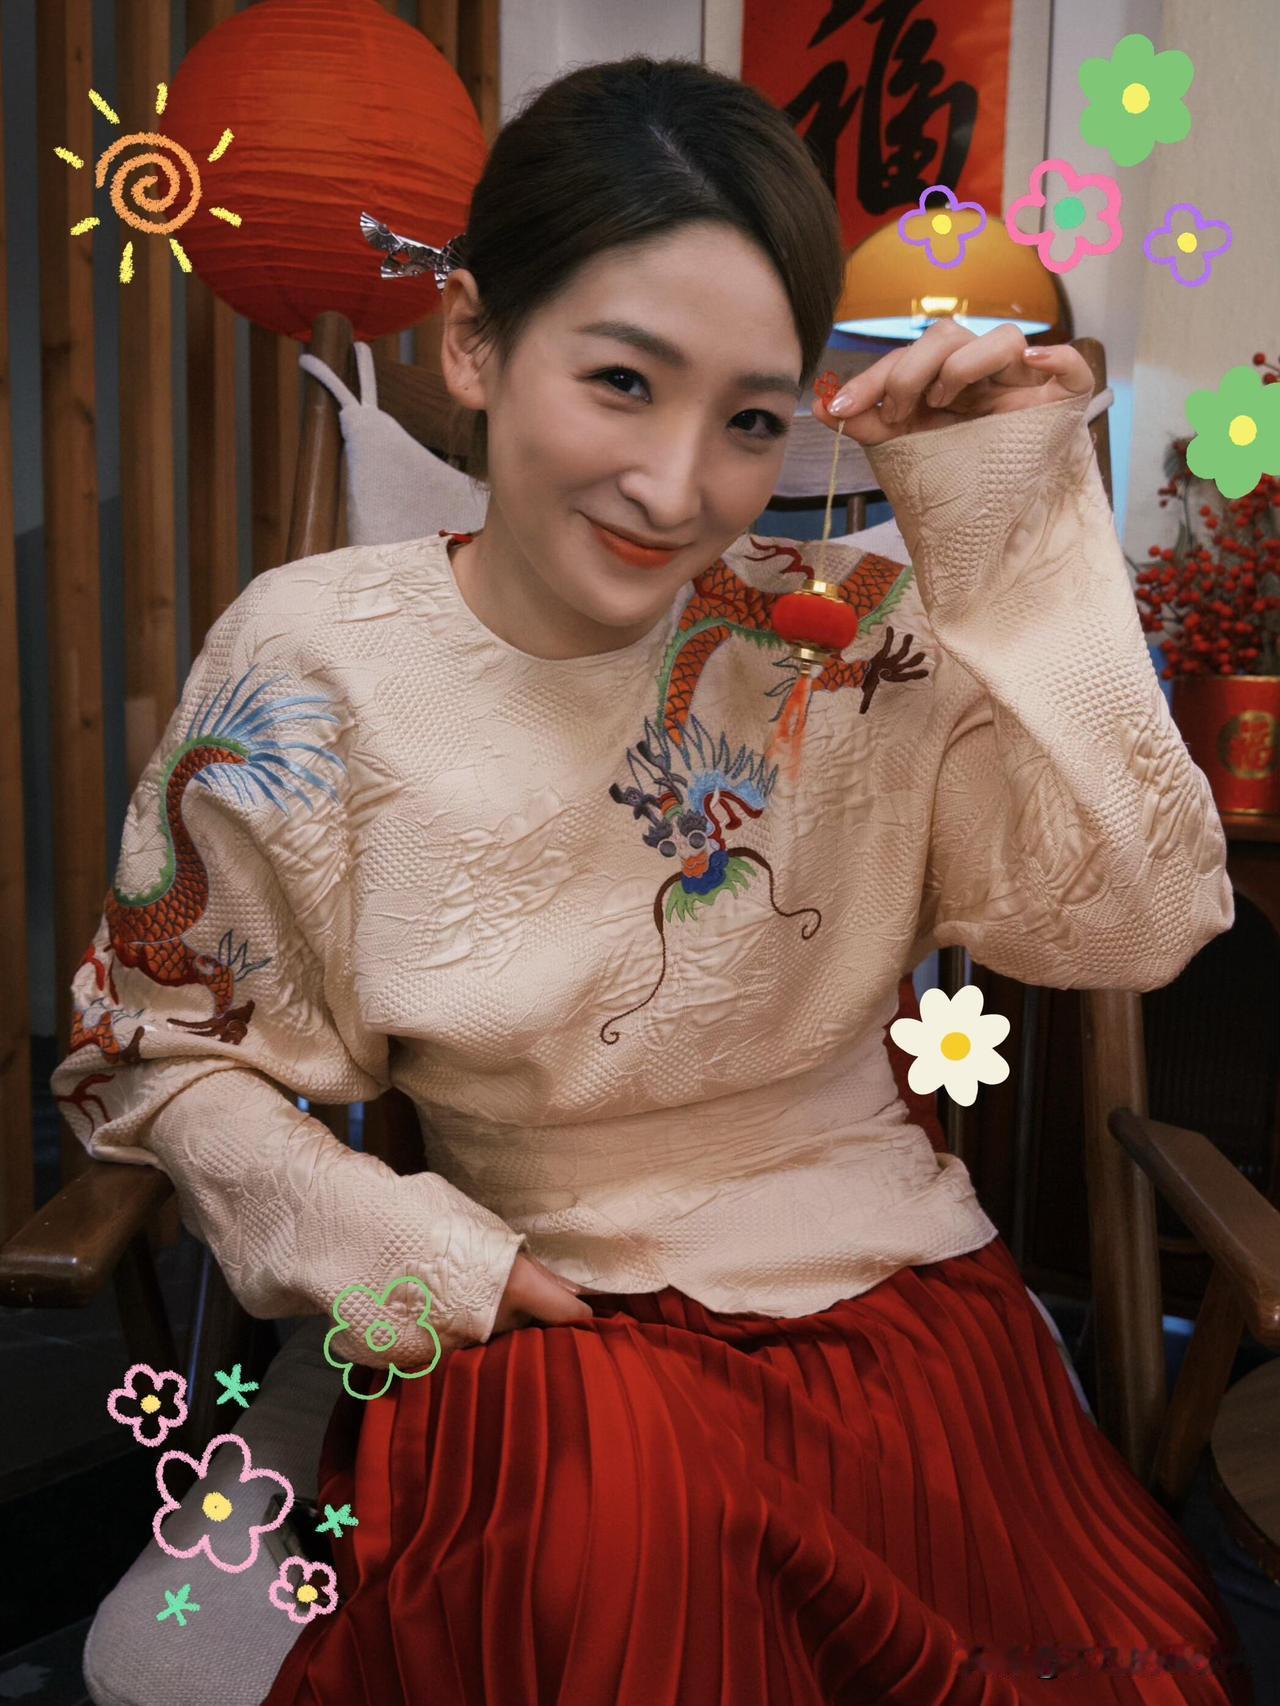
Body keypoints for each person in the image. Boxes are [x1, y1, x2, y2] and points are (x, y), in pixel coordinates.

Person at [53, 53, 1253, 1706]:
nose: (679, 488)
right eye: (621, 380)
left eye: (751, 419)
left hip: (896, 1305)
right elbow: (152, 1052)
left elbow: (1142, 914)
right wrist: (414, 1254)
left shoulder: (840, 638)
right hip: (548, 1326)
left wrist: (1009, 519)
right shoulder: (312, 656)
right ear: (474, 341)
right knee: (624, 1576)